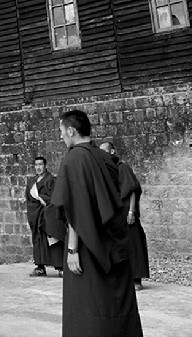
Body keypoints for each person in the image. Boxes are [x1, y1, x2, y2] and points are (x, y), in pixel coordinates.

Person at [53, 110, 142, 337]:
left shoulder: (73, 159)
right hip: (113, 238)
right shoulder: (104, 156)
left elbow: (76, 209)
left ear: (71, 130)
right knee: (114, 298)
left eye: (62, 132)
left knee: (87, 303)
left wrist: (72, 249)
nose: (62, 137)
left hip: (87, 242)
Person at [99, 142, 151, 291]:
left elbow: (132, 189)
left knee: (134, 244)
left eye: (105, 151)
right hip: (116, 215)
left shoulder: (123, 168)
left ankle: (137, 279)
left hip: (127, 213)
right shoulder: (108, 171)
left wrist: (131, 211)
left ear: (113, 151)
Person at [26, 156, 63, 277]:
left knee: (53, 239)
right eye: (36, 165)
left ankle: (60, 267)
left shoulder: (51, 180)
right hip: (36, 215)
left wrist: (43, 199)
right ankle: (40, 266)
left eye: (40, 164)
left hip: (48, 215)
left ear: (45, 166)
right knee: (38, 239)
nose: (38, 167)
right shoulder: (31, 182)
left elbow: (55, 198)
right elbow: (29, 199)